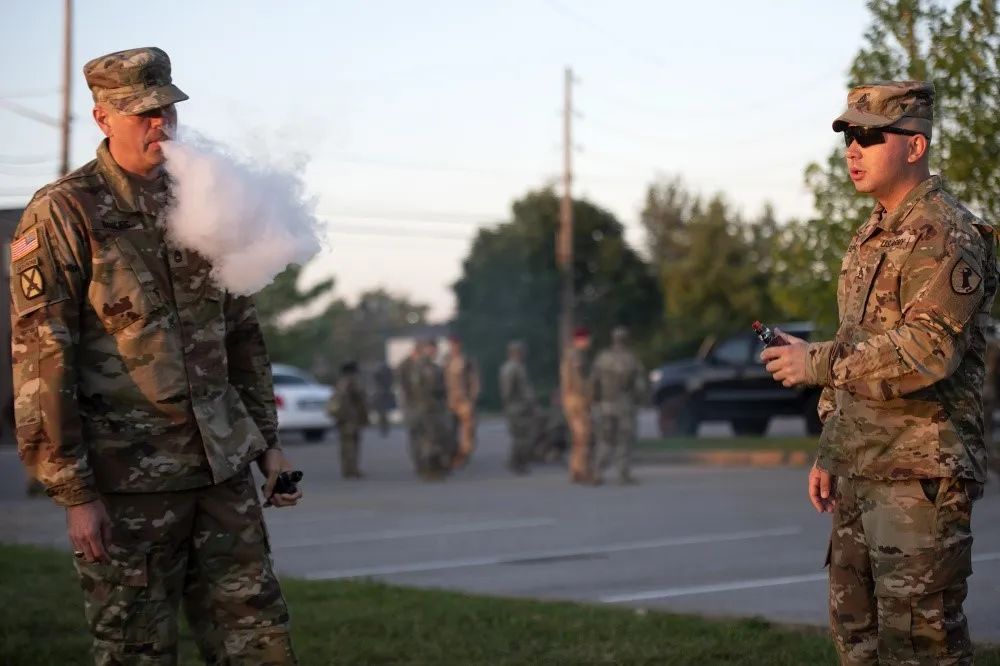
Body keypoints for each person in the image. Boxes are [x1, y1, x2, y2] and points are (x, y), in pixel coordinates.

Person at [8, 47, 300, 664]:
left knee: (259, 639)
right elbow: (42, 358)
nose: (160, 123)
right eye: (142, 113)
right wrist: (75, 493)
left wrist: (267, 444)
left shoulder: (203, 196)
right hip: (128, 484)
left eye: (167, 109)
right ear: (102, 118)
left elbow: (241, 333)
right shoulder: (65, 211)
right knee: (136, 647)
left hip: (222, 472)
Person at [761, 81, 996, 664]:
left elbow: (928, 350)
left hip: (919, 477)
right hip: (860, 467)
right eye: (848, 135)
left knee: (921, 646)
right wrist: (831, 448)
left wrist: (814, 362)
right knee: (857, 640)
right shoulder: (871, 235)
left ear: (915, 146)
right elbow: (856, 345)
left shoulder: (947, 234)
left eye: (869, 135)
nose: (852, 149)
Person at [591, 326, 646, 484]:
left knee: (605, 439)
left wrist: (595, 399)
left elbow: (594, 381)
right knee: (624, 439)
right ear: (626, 339)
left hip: (606, 404)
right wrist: (639, 400)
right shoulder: (631, 359)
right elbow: (639, 385)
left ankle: (597, 471)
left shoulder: (603, 358)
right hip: (624, 404)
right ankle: (623, 473)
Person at [561, 326, 595, 484]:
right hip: (578, 399)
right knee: (584, 436)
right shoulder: (576, 356)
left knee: (577, 437)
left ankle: (575, 469)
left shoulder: (568, 354)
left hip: (570, 400)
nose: (589, 342)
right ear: (580, 340)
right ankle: (583, 471)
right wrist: (588, 397)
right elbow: (578, 380)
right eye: (587, 339)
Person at [443, 335, 481, 469]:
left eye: (456, 344)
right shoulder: (445, 360)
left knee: (467, 431)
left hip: (464, 401)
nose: (454, 347)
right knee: (450, 431)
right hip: (449, 401)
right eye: (451, 344)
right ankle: (452, 456)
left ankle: (463, 455)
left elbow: (474, 380)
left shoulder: (467, 361)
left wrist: (472, 399)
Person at [499, 341, 536, 474]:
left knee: (520, 436)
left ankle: (516, 462)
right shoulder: (513, 368)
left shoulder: (513, 367)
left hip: (518, 406)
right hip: (517, 406)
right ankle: (517, 463)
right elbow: (508, 391)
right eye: (521, 351)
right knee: (521, 437)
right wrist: (515, 404)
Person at [330, 361, 369, 478]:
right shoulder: (351, 382)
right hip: (350, 418)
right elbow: (360, 397)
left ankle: (347, 469)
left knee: (345, 444)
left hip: (342, 418)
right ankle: (352, 469)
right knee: (351, 444)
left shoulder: (340, 382)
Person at [372, 361, 395, 436]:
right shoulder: (384, 372)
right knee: (383, 413)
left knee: (383, 413)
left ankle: (384, 427)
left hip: (383, 393)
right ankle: (384, 427)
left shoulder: (382, 372)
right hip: (382, 394)